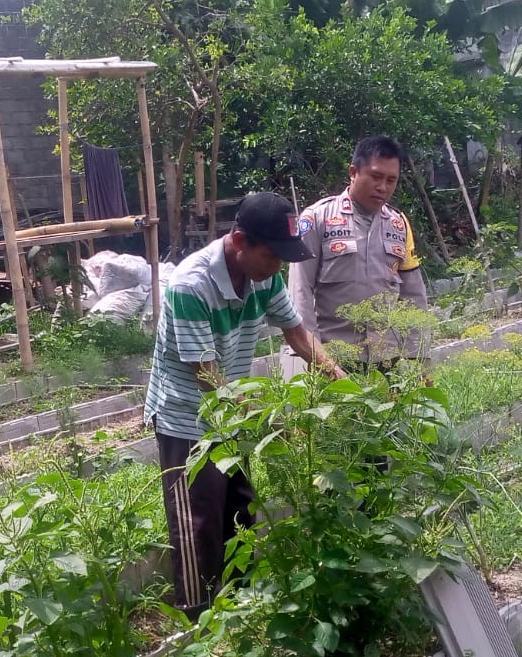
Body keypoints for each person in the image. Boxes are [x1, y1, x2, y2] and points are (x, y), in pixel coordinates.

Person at [144, 191, 345, 616]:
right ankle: (198, 618)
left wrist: (340, 379)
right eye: (272, 255)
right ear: (240, 241)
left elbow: (296, 333)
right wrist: (272, 421)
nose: (278, 266)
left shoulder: (264, 276)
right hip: (187, 417)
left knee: (240, 508)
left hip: (231, 412)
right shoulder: (190, 285)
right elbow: (207, 377)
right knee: (198, 521)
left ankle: (241, 607)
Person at [289, 135, 428, 364]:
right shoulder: (317, 218)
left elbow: (413, 295)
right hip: (335, 356)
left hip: (387, 357)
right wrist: (314, 356)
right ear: (353, 172)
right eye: (376, 177)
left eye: (391, 180)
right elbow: (300, 290)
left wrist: (418, 358)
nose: (382, 187)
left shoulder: (398, 224)